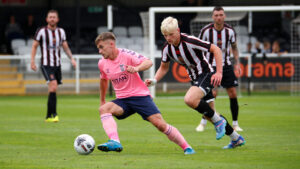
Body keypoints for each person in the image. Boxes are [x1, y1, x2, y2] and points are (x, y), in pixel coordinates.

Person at [145, 16, 245, 149]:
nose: (168, 38)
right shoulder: (167, 48)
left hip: (206, 74)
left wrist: (219, 72)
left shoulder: (190, 41)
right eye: (165, 35)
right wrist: (155, 80)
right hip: (195, 79)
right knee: (211, 114)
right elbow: (164, 67)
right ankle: (236, 138)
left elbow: (216, 49)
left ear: (178, 30)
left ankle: (220, 123)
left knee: (189, 99)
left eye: (171, 34)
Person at [95, 32, 195, 155]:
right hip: (122, 100)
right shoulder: (102, 63)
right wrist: (102, 100)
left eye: (101, 47)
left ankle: (187, 147)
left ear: (111, 44)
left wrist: (136, 68)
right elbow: (103, 80)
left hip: (140, 96)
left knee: (161, 125)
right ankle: (114, 141)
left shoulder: (126, 54)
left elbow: (148, 62)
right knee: (104, 109)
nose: (99, 51)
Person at [196, 6, 243, 132]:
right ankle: (203, 122)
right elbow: (198, 47)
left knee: (233, 93)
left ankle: (235, 124)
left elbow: (234, 47)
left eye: (221, 14)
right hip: (211, 66)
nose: (219, 17)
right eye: (216, 15)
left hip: (226, 65)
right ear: (212, 17)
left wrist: (237, 63)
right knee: (212, 94)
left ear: (224, 16)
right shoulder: (205, 31)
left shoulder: (230, 31)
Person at [31, 10, 76, 122]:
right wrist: (32, 61)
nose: (52, 19)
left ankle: (48, 116)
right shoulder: (41, 31)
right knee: (54, 85)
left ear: (57, 19)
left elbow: (65, 47)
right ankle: (54, 115)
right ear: (47, 19)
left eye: (54, 17)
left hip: (57, 65)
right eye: (50, 17)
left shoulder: (61, 32)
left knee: (53, 89)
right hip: (46, 64)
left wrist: (72, 58)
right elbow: (34, 46)